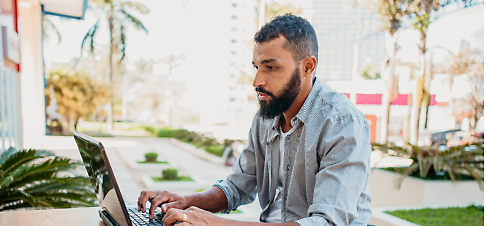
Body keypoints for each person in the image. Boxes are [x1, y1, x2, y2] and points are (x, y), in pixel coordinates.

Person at [137, 14, 372, 226]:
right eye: (257, 67)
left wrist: (214, 224)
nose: (257, 80)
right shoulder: (265, 117)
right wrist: (185, 202)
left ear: (307, 67)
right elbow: (237, 187)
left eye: (271, 67)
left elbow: (327, 223)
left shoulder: (342, 123)